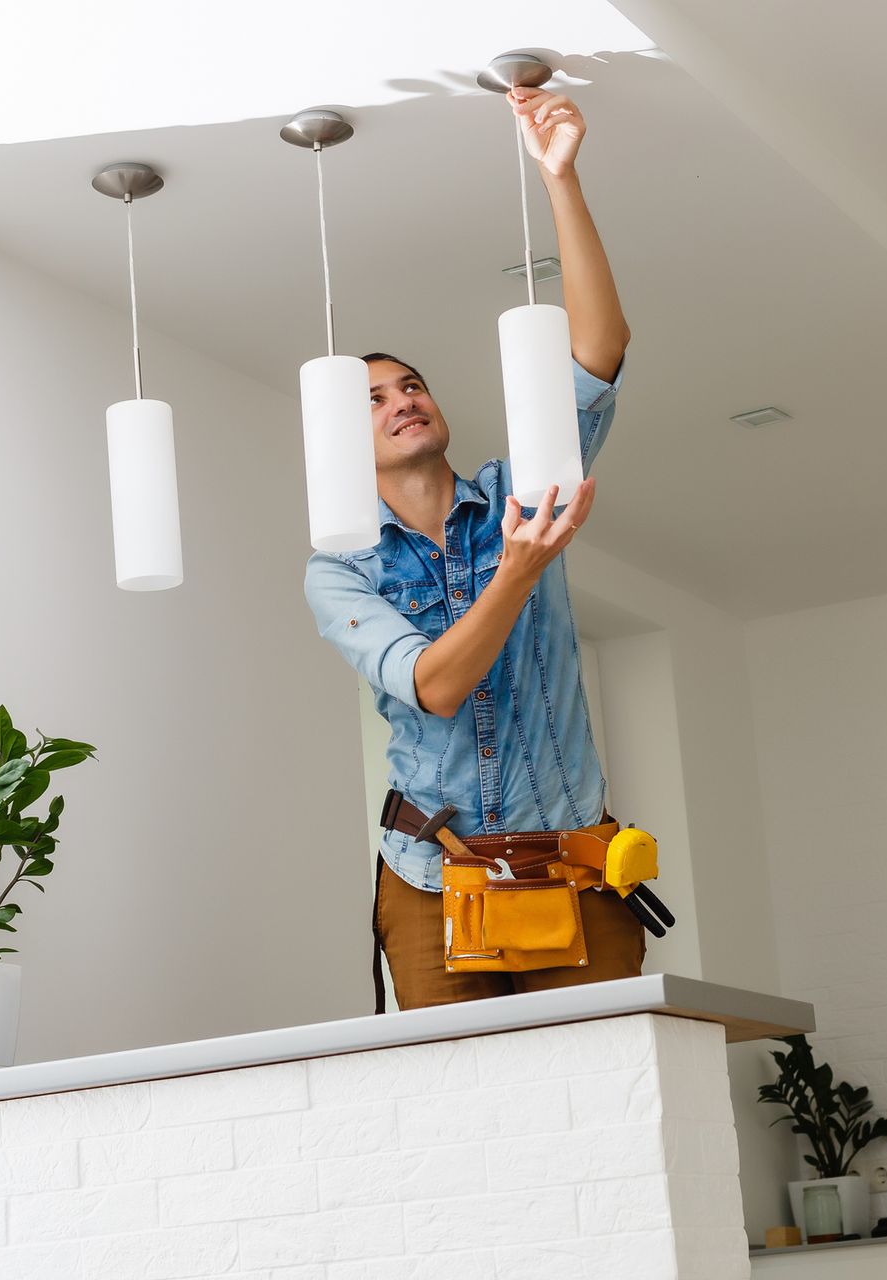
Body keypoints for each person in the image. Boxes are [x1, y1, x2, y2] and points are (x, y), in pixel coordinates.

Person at [303, 85, 638, 1011]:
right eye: (370, 399)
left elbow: (598, 350)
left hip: (574, 863)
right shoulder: (339, 571)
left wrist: (559, 178)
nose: (402, 398)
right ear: (341, 443)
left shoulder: (521, 493)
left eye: (410, 385)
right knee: (461, 1112)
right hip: (427, 877)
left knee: (607, 1092)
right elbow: (436, 686)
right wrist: (520, 572)